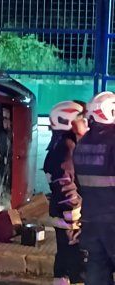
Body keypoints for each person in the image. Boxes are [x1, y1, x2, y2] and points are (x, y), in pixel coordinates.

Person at [44, 100, 88, 285]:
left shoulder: (61, 145)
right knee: (75, 260)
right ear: (68, 121)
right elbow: (64, 185)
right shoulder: (66, 149)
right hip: (70, 218)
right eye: (83, 119)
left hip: (64, 216)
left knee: (64, 259)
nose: (87, 123)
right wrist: (75, 214)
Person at [73, 91, 115, 285]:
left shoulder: (81, 144)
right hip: (112, 219)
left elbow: (80, 185)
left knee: (96, 269)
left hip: (91, 219)